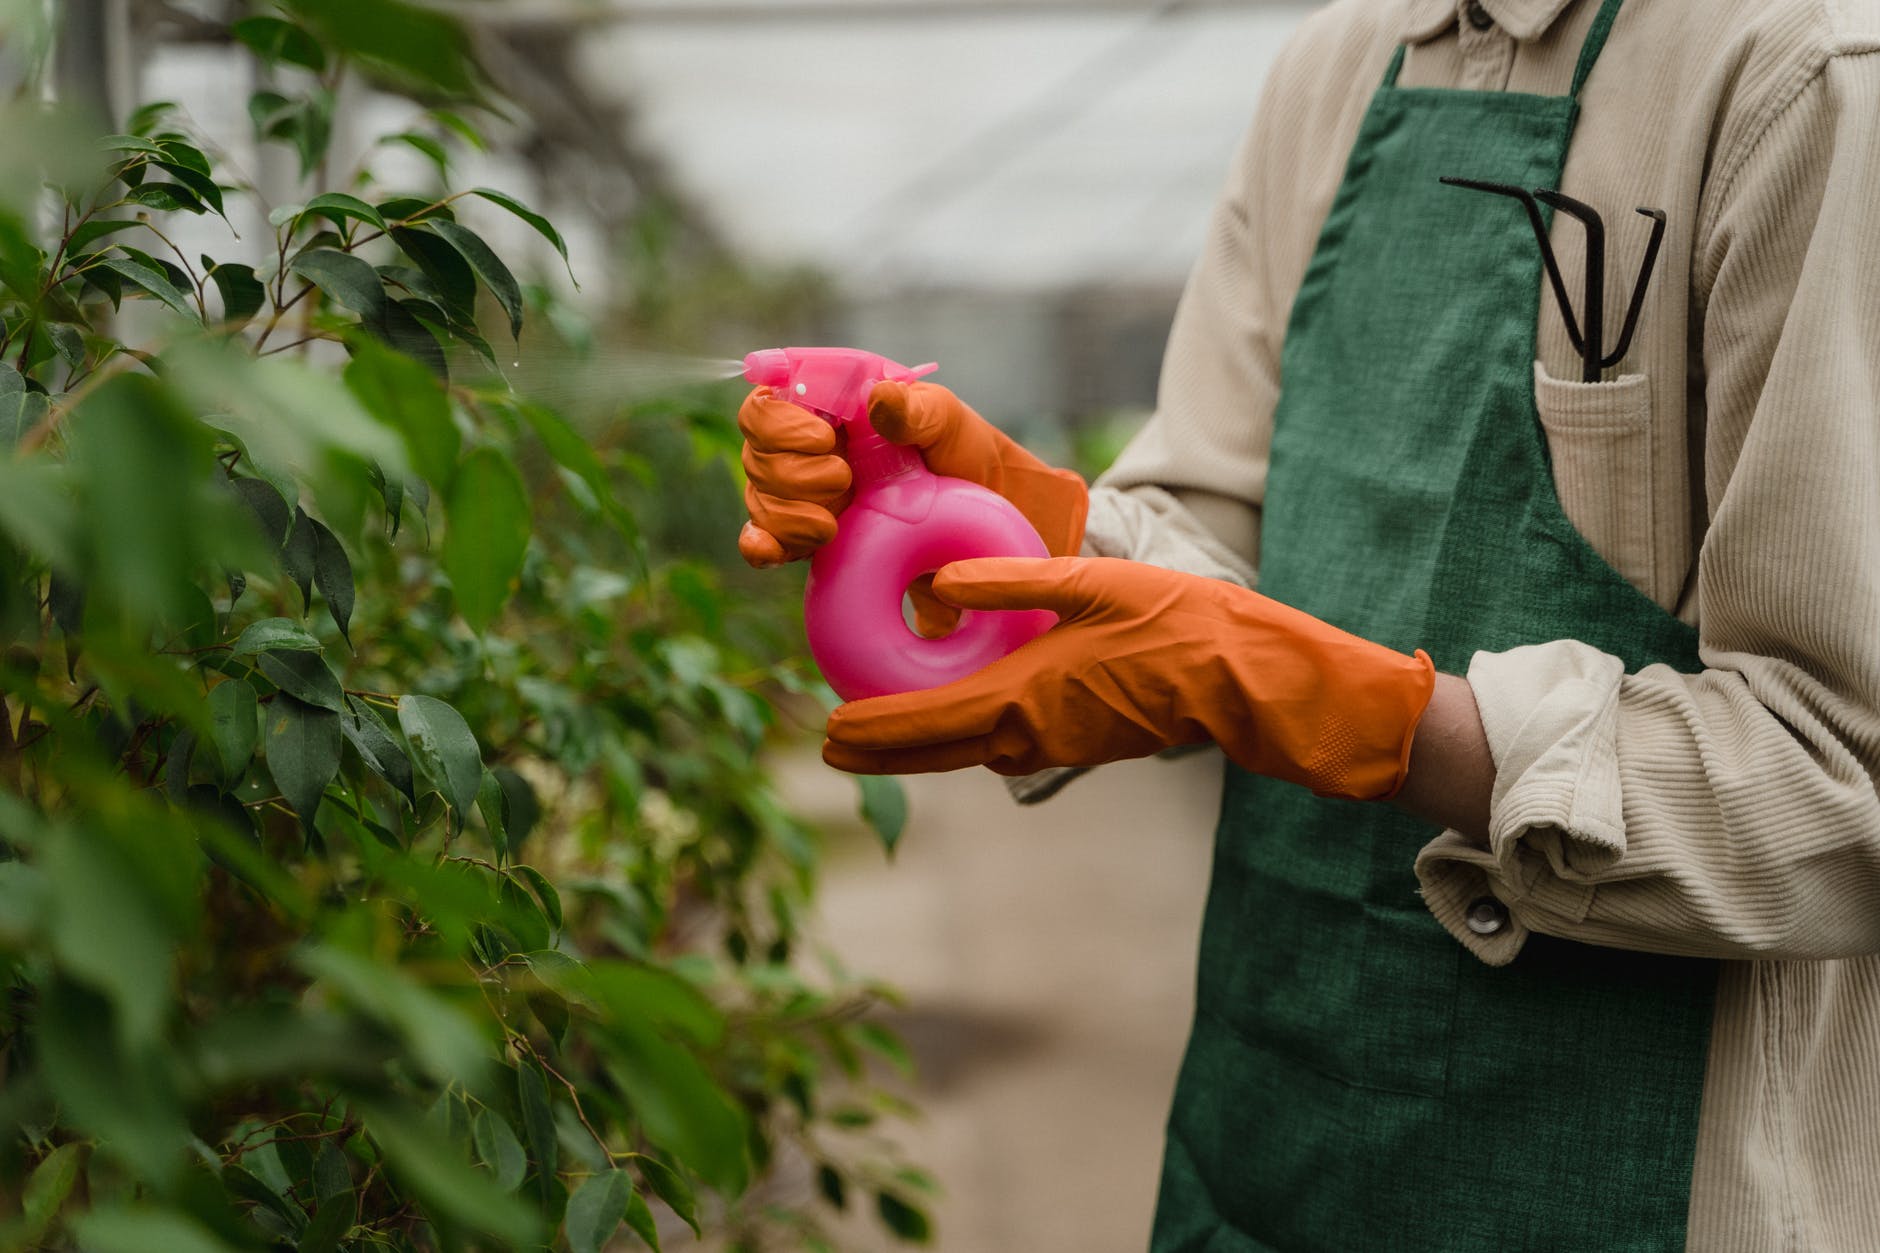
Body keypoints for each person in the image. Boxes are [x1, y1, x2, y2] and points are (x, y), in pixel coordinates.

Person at [735, 0, 1880, 1247]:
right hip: (1275, 1110)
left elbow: (1839, 773)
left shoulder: (1799, 74)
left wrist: (1357, 713)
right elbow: (1211, 517)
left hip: (1623, 1167)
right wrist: (1030, 528)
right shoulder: (1333, 67)